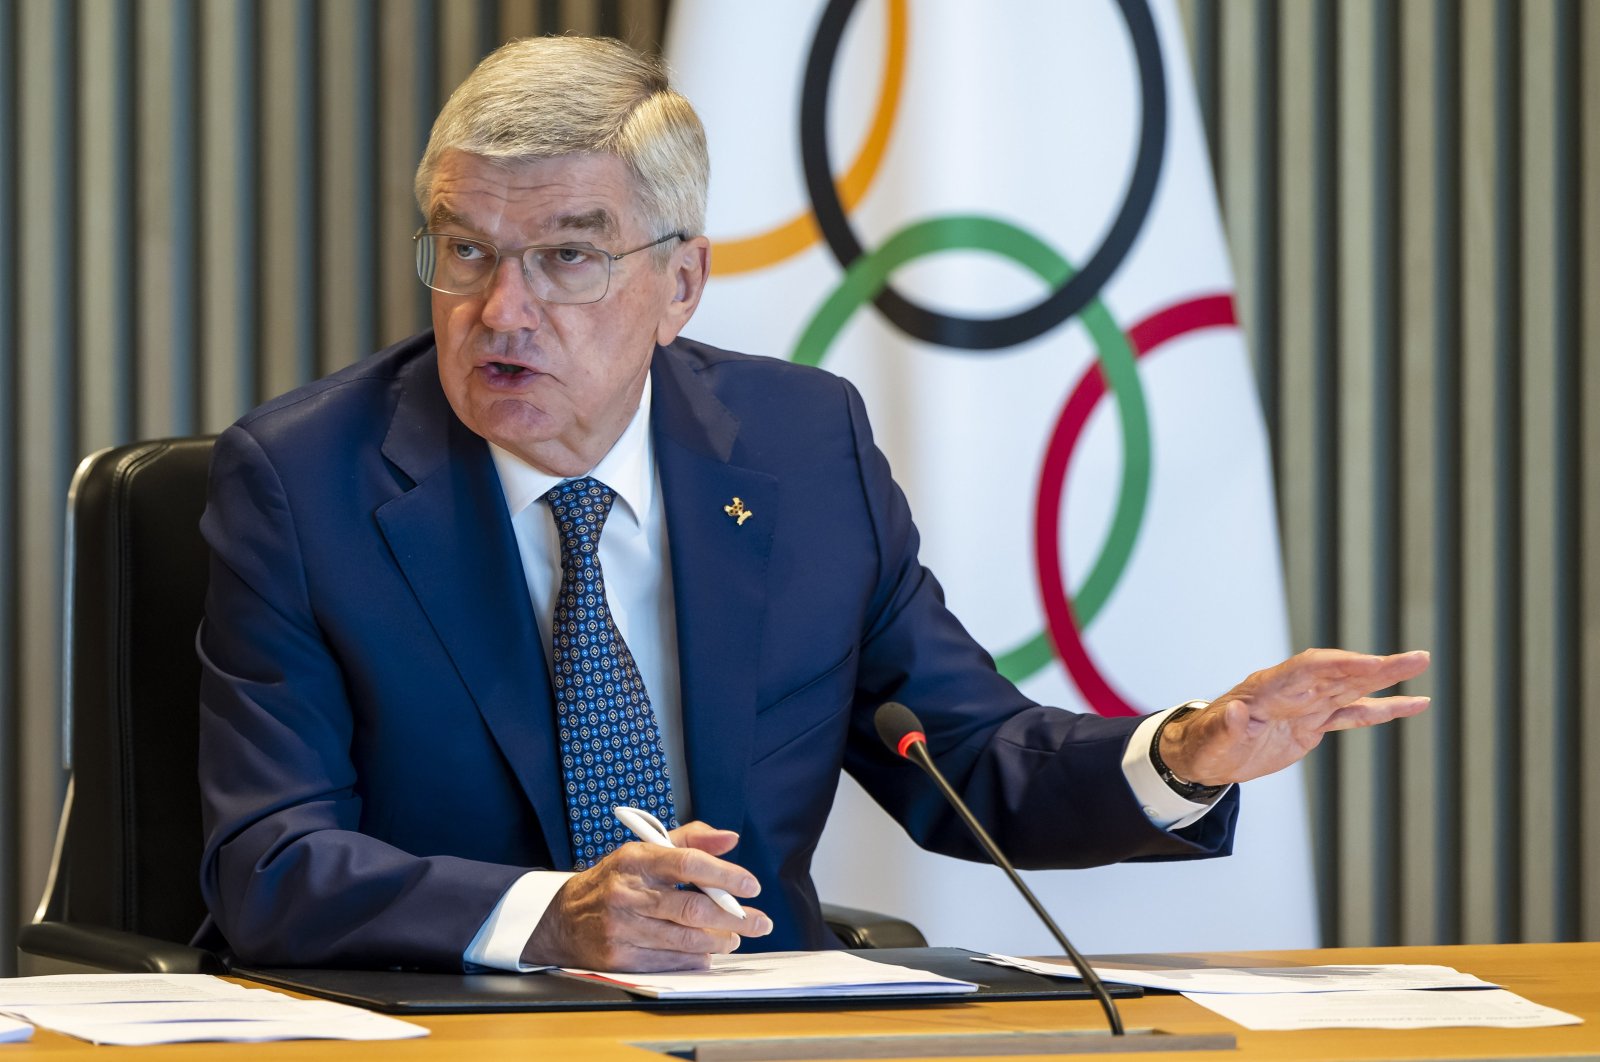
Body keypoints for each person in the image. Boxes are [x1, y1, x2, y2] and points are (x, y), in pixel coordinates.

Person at [195, 35, 1429, 974]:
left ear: (680, 281)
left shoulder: (799, 447)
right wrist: (547, 919)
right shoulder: (305, 484)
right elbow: (268, 862)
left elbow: (966, 757)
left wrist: (1179, 753)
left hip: (760, 1029)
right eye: (465, 251)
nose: (500, 311)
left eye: (567, 256)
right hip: (453, 1033)